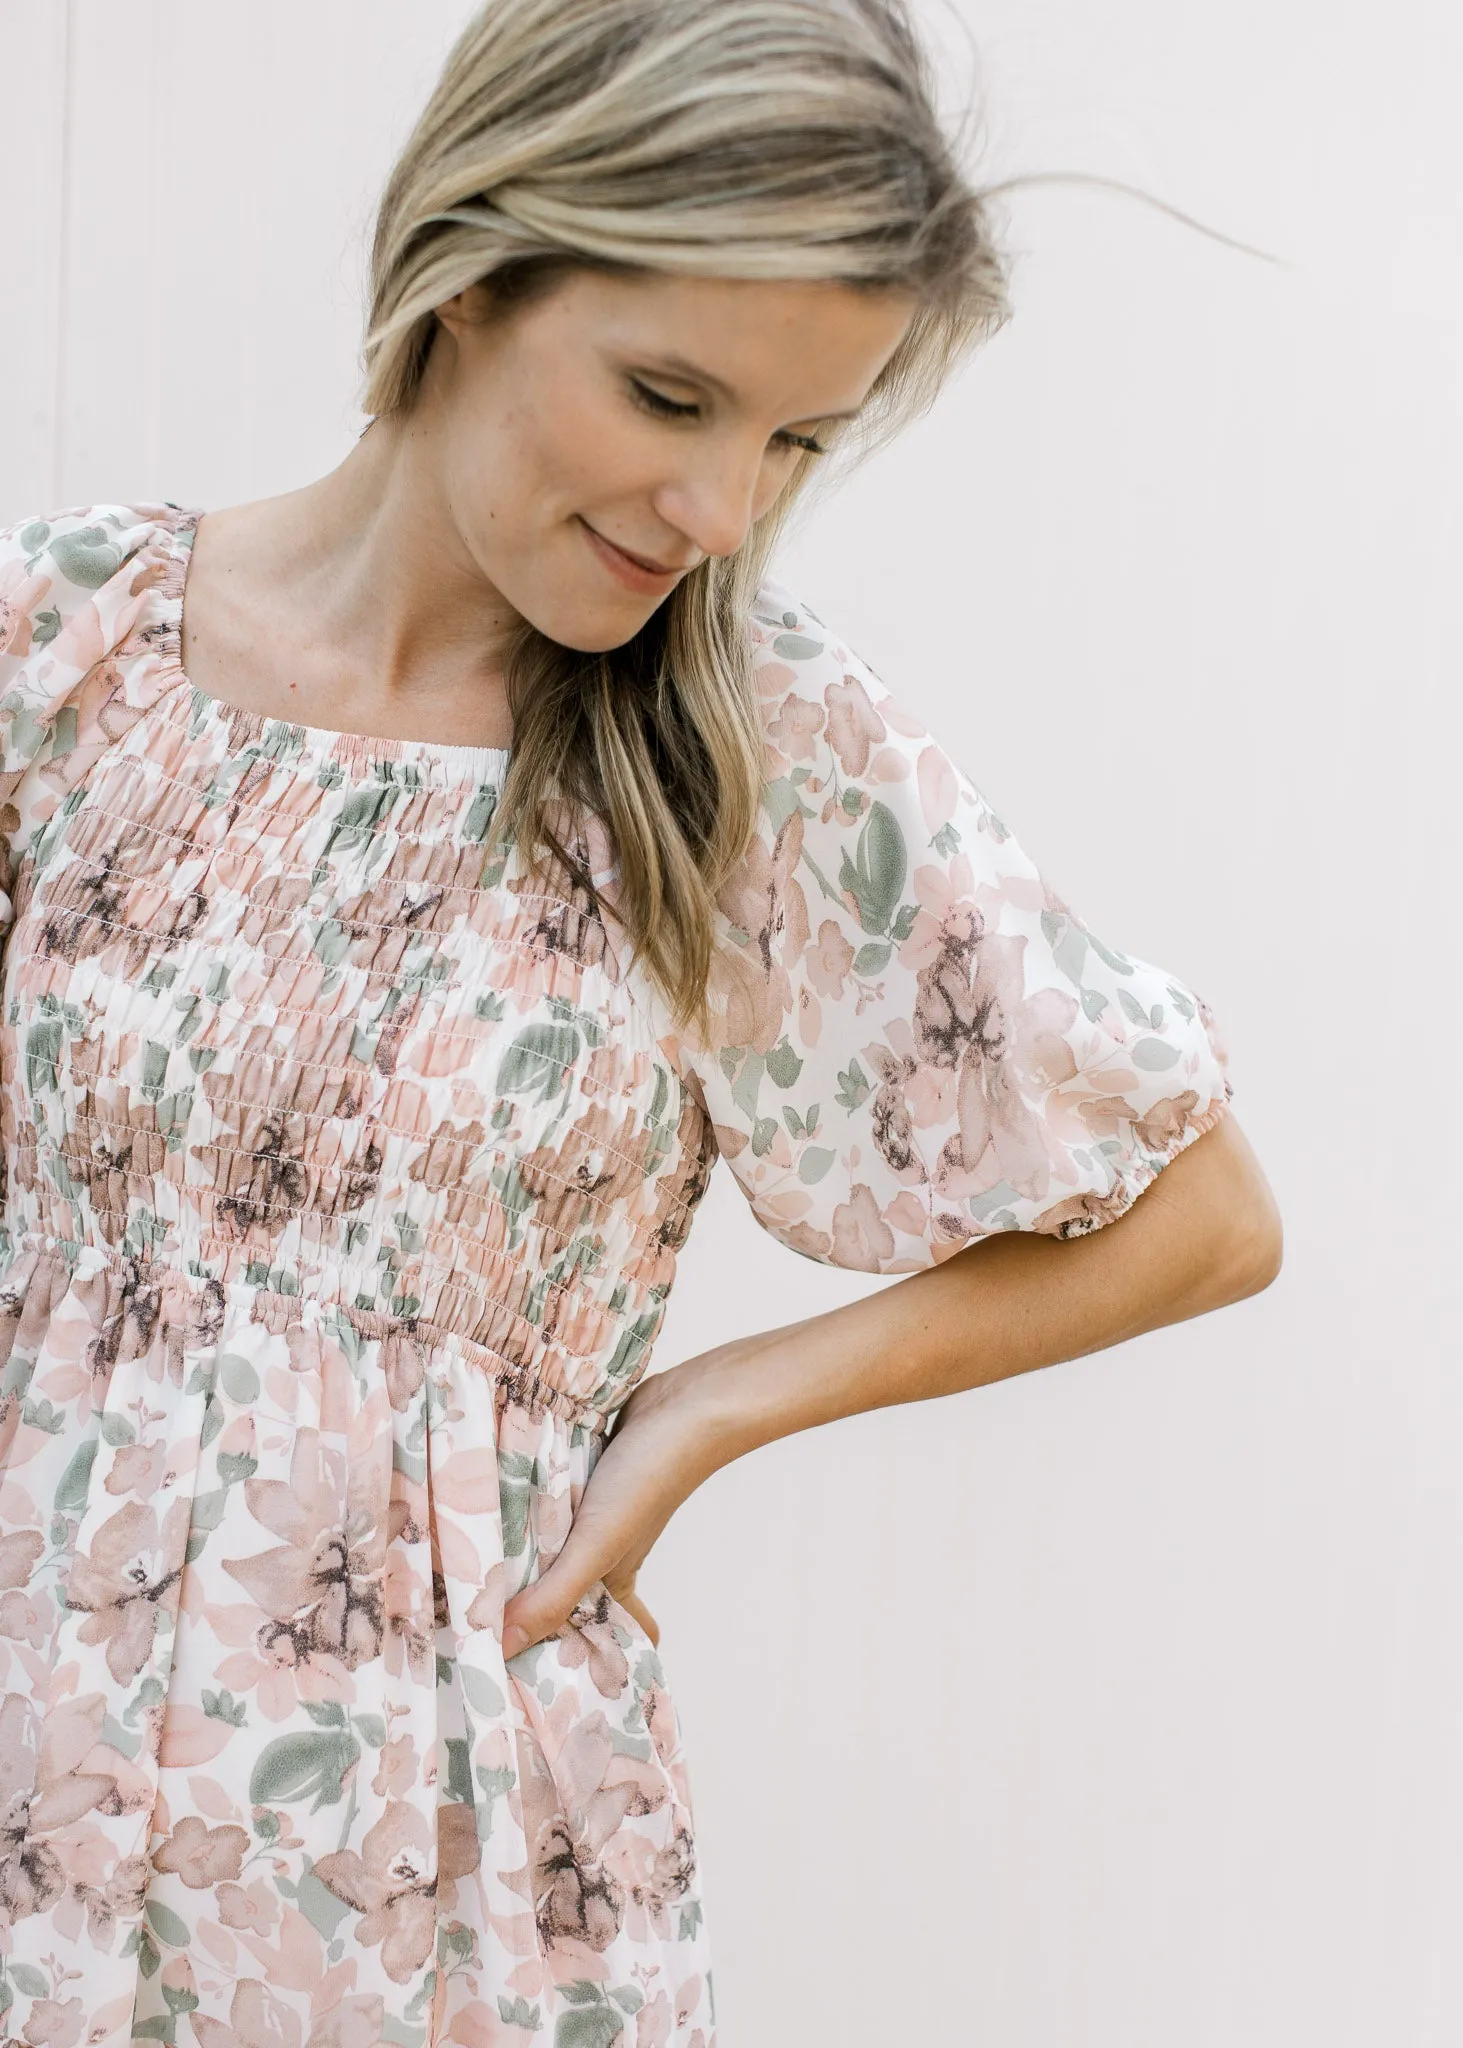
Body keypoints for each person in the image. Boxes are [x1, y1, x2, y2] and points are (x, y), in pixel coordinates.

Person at [0, 1, 1281, 2041]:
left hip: (443, 1881)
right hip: (34, 1805)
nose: (716, 509)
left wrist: (702, 1406)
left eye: (789, 441)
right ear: (467, 265)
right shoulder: (59, 646)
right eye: (667, 393)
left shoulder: (740, 750)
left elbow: (1200, 1211)